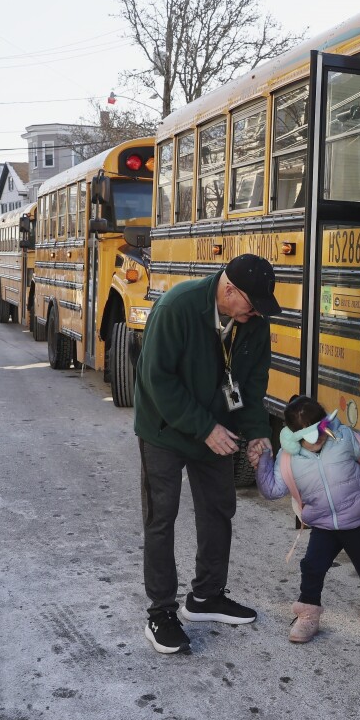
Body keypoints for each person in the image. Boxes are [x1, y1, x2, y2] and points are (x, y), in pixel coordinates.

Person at [133, 253, 280, 654]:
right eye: (252, 303)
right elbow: (157, 380)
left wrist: (256, 434)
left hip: (217, 429)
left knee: (219, 508)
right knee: (161, 517)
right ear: (229, 290)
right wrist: (204, 428)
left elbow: (251, 385)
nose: (256, 313)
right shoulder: (177, 307)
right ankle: (160, 612)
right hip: (164, 428)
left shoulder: (254, 322)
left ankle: (205, 597)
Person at [248, 395, 360, 643]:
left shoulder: (343, 437)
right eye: (311, 434)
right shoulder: (288, 459)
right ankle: (308, 615)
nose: (319, 437)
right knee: (312, 567)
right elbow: (271, 490)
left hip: (357, 521)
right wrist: (263, 461)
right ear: (295, 436)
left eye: (321, 427)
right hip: (323, 525)